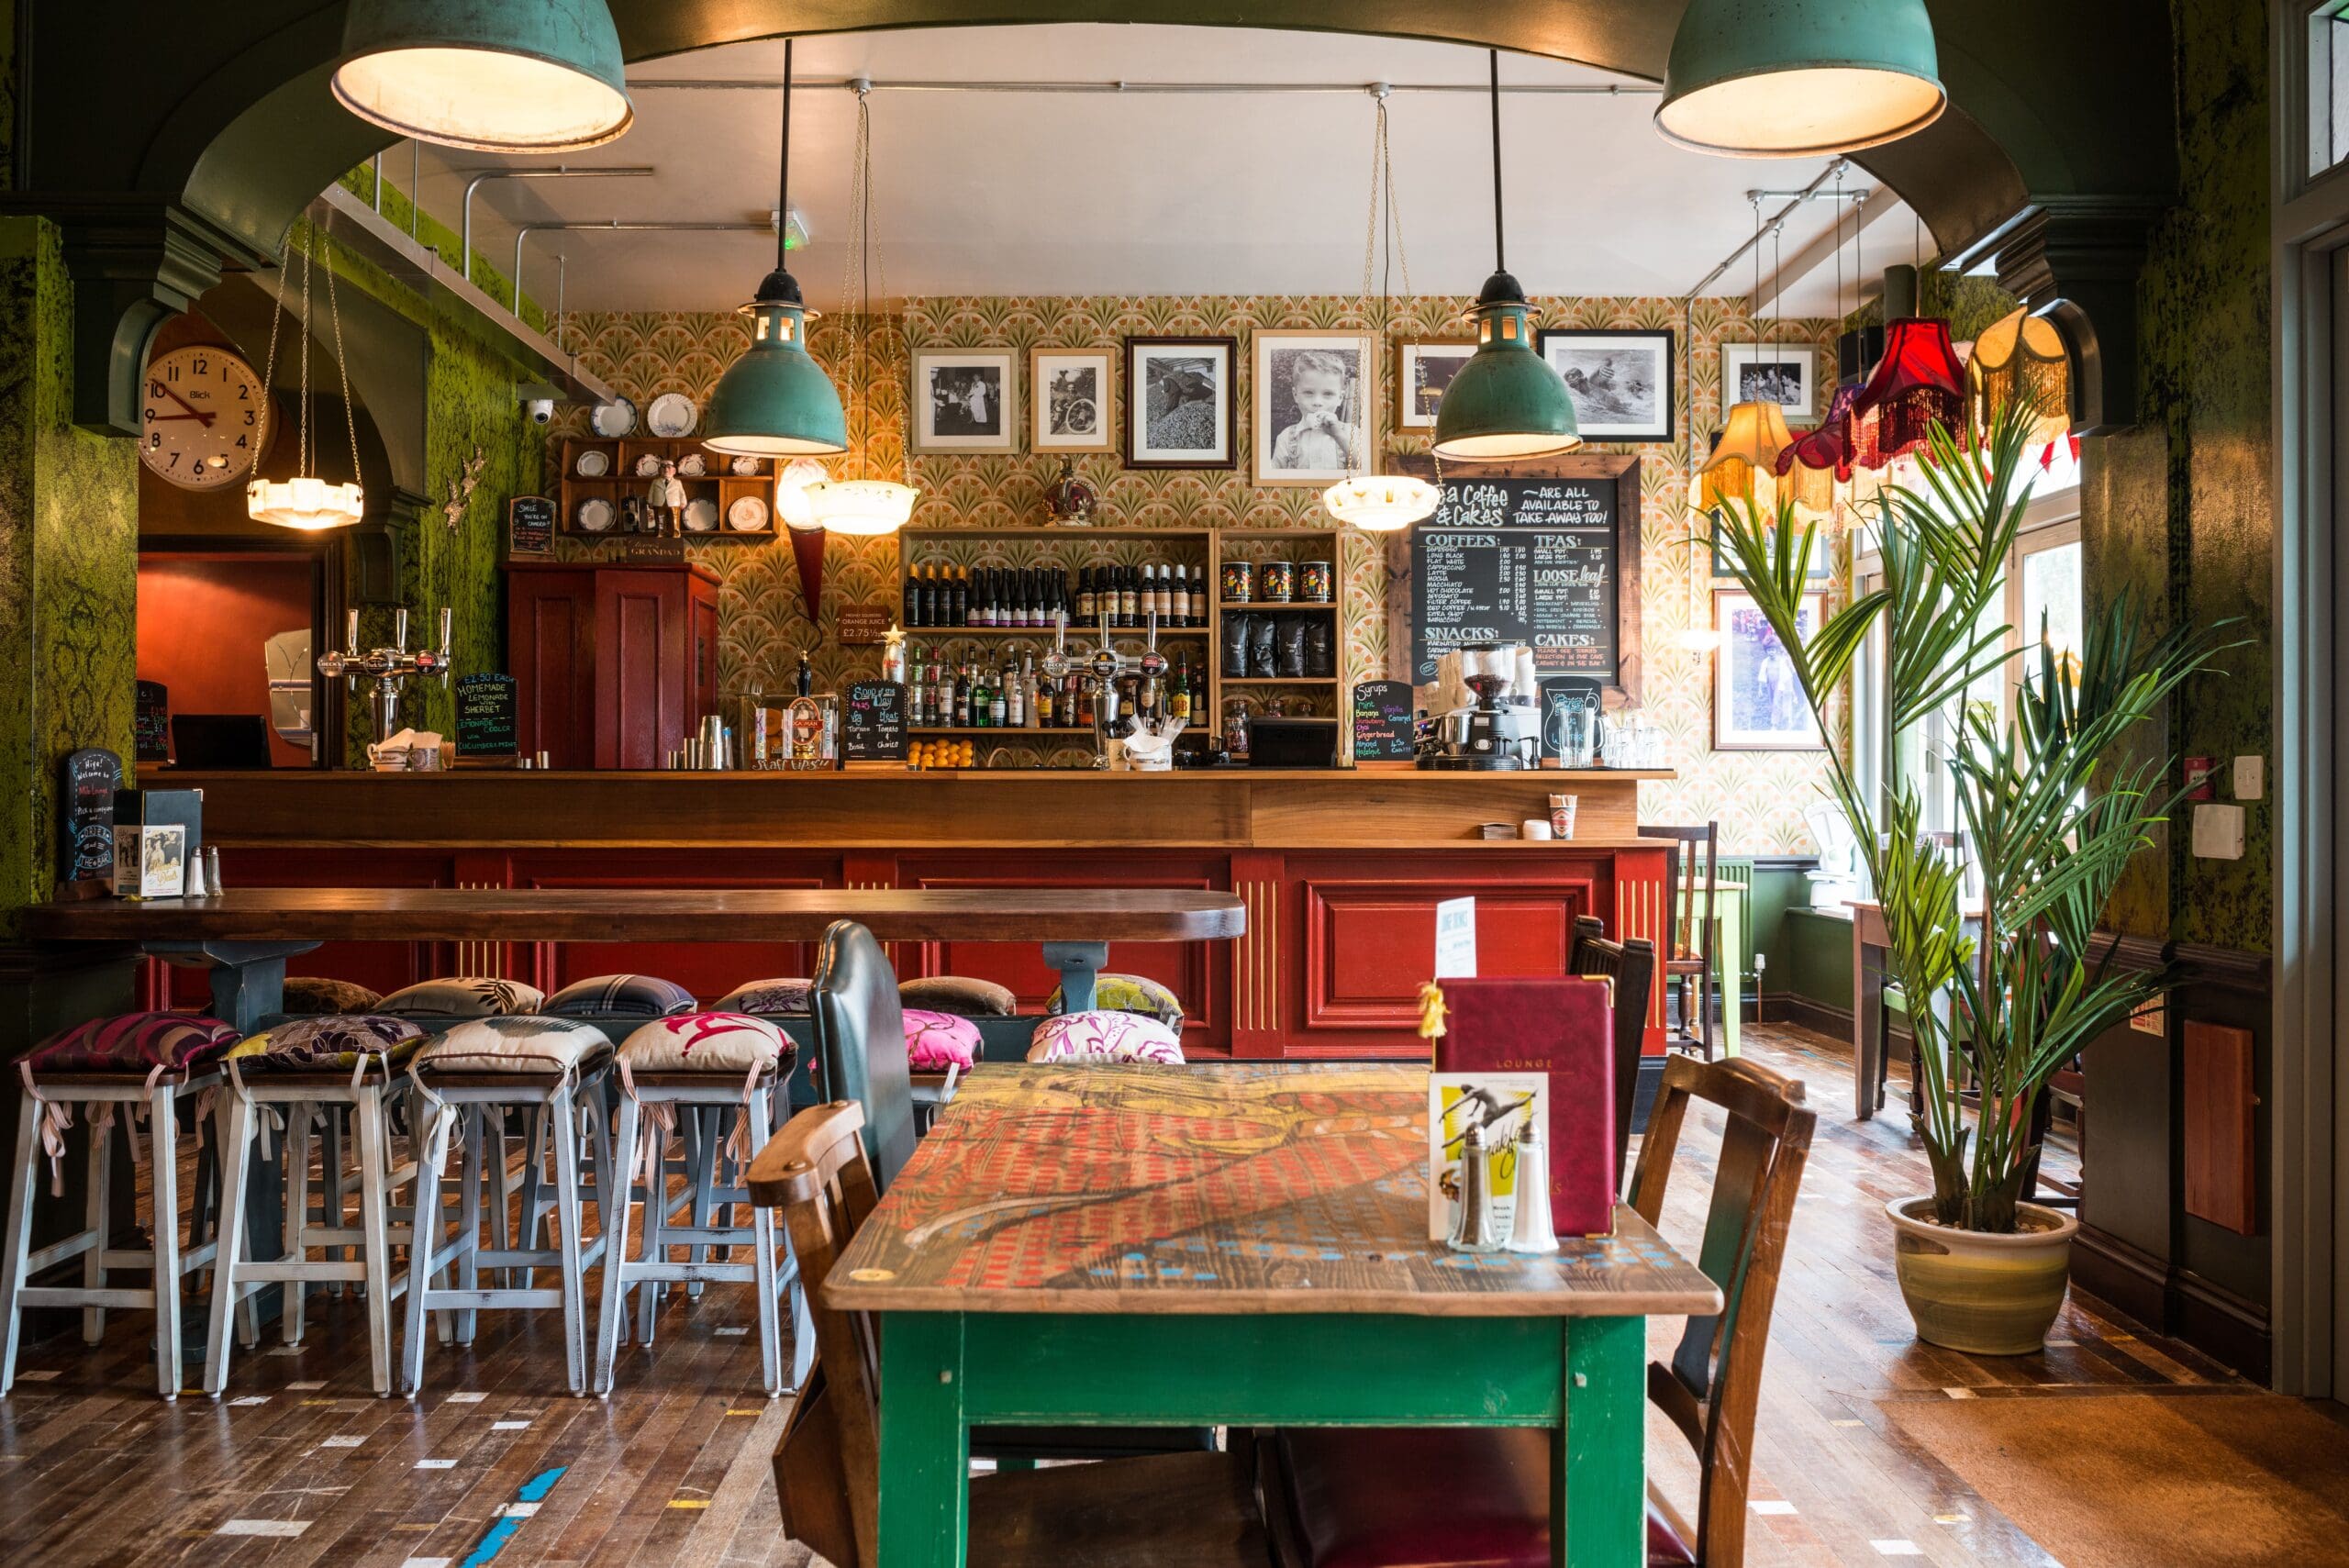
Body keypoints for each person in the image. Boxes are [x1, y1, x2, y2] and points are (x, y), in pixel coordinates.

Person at [1271, 350, 1357, 473]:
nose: (1317, 402)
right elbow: (1273, 478)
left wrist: (1338, 435)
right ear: (1296, 395)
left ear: (1340, 398)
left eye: (1328, 394)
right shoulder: (1285, 438)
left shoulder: (1351, 433)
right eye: (1309, 393)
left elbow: (1368, 471)